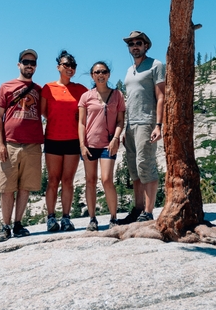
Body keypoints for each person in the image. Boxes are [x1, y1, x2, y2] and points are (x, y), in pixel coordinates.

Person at [0, 49, 44, 242]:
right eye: (25, 61)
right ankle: (5, 226)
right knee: (7, 187)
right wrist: (0, 143)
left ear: (36, 66)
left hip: (32, 145)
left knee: (25, 187)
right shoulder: (6, 87)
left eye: (32, 62)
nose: (29, 65)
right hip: (11, 144)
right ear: (19, 64)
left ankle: (18, 224)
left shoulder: (40, 90)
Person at [41, 50, 87, 232]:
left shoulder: (81, 89)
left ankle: (66, 218)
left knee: (68, 181)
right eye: (66, 65)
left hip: (73, 139)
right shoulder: (48, 88)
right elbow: (44, 112)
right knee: (53, 180)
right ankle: (51, 218)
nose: (69, 68)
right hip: (53, 138)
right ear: (58, 67)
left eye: (72, 66)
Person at [122, 31, 165, 223]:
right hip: (131, 125)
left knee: (145, 165)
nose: (135, 46)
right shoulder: (130, 70)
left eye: (138, 43)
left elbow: (162, 96)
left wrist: (158, 125)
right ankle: (138, 209)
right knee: (134, 169)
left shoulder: (155, 65)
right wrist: (124, 127)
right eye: (131, 44)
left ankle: (148, 212)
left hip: (147, 122)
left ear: (146, 45)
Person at [78, 62, 125, 232]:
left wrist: (116, 139)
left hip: (108, 143)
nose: (100, 74)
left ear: (109, 74)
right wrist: (82, 145)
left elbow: (120, 121)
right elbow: (82, 123)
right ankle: (92, 219)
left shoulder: (117, 95)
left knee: (106, 180)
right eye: (97, 72)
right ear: (92, 75)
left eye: (104, 71)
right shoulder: (86, 97)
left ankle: (113, 217)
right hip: (90, 144)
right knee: (90, 181)